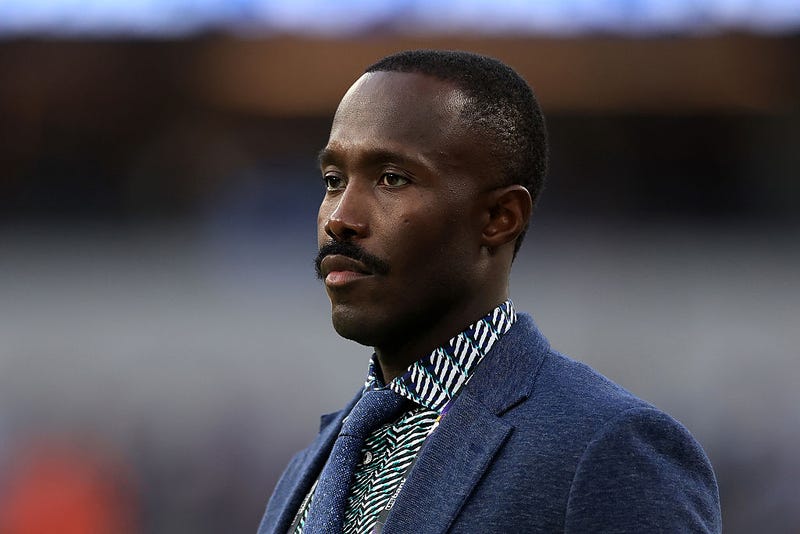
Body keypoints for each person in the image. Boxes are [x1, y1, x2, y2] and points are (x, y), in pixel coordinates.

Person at [258, 50, 721, 534]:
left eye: (391, 179)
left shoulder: (608, 448)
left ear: (501, 218)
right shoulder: (314, 463)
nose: (339, 220)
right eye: (333, 181)